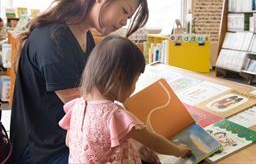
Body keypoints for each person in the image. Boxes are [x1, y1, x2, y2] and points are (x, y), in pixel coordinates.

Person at [10, 0, 148, 164]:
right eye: (124, 11)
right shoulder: (54, 40)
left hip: (70, 140)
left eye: (128, 17)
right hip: (43, 152)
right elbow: (91, 111)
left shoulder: (85, 36)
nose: (124, 22)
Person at [59, 35, 191, 163]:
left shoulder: (77, 106)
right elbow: (155, 143)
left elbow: (69, 142)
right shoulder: (115, 116)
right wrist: (179, 150)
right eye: (135, 80)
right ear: (119, 77)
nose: (134, 87)